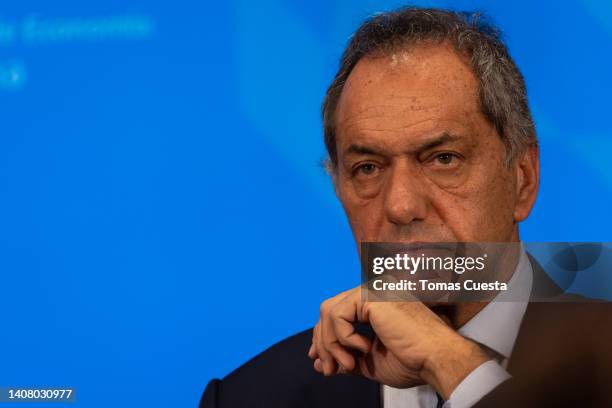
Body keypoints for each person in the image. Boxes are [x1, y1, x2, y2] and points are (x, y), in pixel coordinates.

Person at [200, 7, 611, 407]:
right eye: (367, 168)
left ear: (523, 178)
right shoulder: (252, 397)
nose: (400, 205)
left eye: (443, 158)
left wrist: (451, 364)